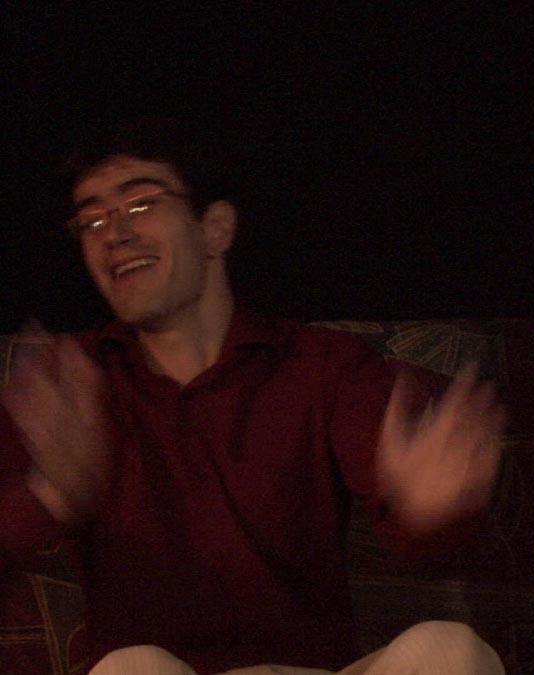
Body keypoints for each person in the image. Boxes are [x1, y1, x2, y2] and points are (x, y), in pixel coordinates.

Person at [0, 119, 506, 674]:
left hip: (313, 671)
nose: (113, 234)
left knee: (449, 647)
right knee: (132, 667)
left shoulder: (323, 365)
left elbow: (428, 543)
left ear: (215, 229)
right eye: (92, 220)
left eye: (140, 204)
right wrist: (51, 496)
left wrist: (431, 510)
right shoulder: (70, 383)